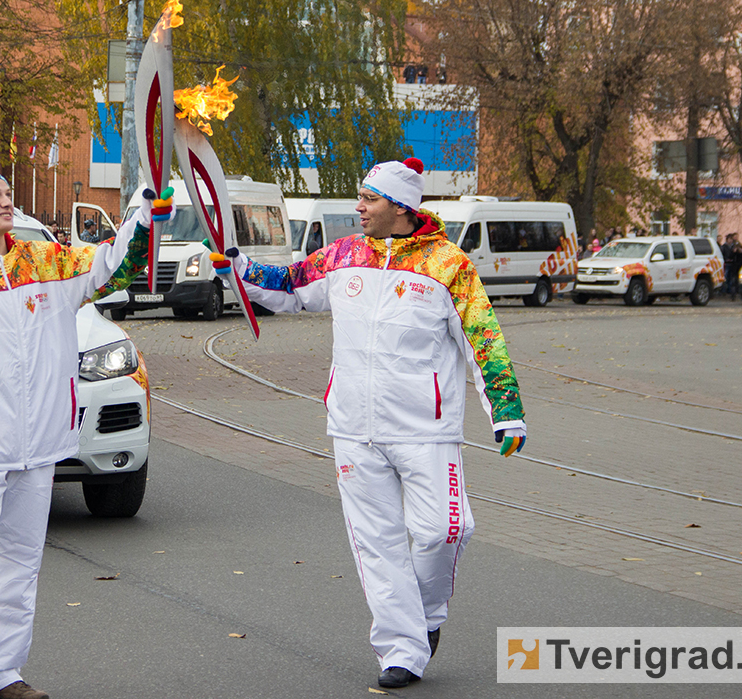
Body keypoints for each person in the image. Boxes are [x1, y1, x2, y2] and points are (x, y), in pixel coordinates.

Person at [212, 157, 526, 690]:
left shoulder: (448, 264)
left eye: (368, 199)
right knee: (376, 542)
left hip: (425, 428)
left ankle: (425, 619)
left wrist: (507, 411)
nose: (358, 207)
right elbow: (290, 286)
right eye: (360, 197)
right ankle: (401, 650)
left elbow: (484, 340)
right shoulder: (343, 255)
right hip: (354, 427)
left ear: (400, 208)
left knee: (448, 530)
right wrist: (239, 268)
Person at [0, 170, 173, 699]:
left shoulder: (46, 263)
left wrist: (144, 214)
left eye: (8, 192)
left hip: (40, 442)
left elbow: (111, 270)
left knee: (21, 561)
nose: (6, 201)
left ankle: (0, 675)